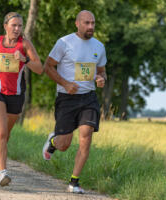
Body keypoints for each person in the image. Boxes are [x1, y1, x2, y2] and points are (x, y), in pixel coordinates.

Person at [42, 10, 107, 194]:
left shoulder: (99, 46)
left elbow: (101, 71)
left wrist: (101, 79)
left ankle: (74, 182)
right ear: (77, 24)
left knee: (86, 136)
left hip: (89, 98)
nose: (91, 27)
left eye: (93, 23)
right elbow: (48, 66)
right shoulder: (64, 42)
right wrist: (65, 83)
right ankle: (53, 142)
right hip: (67, 98)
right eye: (87, 23)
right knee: (64, 144)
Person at [0, 12, 43, 186]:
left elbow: (39, 68)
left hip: (16, 93)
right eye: (14, 25)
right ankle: (3, 172)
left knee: (6, 133)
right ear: (5, 26)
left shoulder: (25, 44)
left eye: (20, 26)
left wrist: (25, 59)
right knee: (0, 131)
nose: (17, 29)